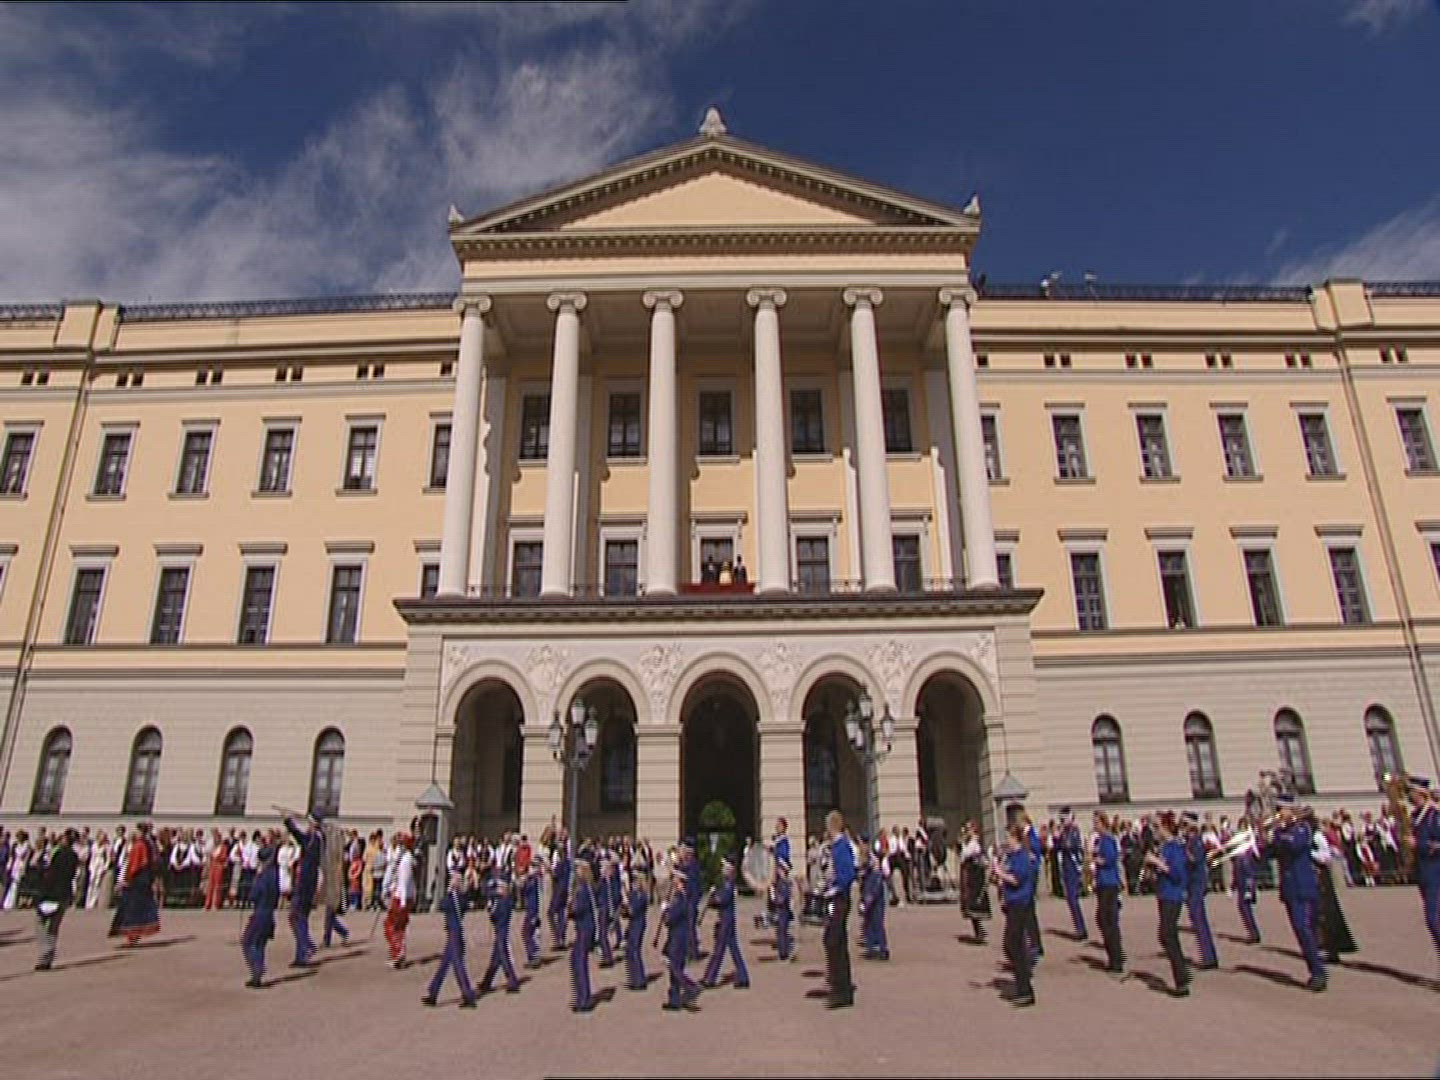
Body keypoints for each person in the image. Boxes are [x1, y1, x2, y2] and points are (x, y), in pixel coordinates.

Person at [1144, 813, 1191, 998]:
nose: (1155, 832)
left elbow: (1178, 874)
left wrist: (1158, 863)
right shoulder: (1164, 847)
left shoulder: (1175, 847)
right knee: (1167, 935)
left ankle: (1182, 979)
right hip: (1164, 894)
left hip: (1173, 896)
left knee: (1167, 935)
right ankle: (1182, 975)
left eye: (1157, 828)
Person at [994, 822, 1038, 1007]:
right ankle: (1023, 979)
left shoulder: (1022, 857)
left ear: (1016, 839)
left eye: (1009, 838)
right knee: (1012, 945)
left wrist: (1000, 873)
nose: (1007, 842)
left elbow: (1016, 880)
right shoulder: (1012, 857)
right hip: (1012, 903)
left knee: (1014, 944)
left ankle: (1025, 987)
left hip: (1020, 904)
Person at [422, 871, 477, 1007]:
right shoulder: (460, 898)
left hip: (454, 932)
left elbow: (443, 905)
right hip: (453, 932)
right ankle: (433, 992)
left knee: (458, 965)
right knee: (444, 964)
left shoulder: (455, 898)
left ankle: (467, 994)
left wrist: (450, 892)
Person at [1309, 812, 1357, 965]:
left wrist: (1309, 853)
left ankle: (1332, 948)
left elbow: (1326, 857)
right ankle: (1320, 946)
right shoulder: (1310, 836)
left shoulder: (1317, 837)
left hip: (1321, 880)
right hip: (1312, 878)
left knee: (1327, 914)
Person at [821, 810, 856, 1009]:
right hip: (835, 897)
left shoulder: (842, 846)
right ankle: (840, 985)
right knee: (835, 942)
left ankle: (841, 989)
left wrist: (834, 888)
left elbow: (847, 874)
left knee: (834, 942)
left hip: (839, 899)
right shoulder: (836, 847)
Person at [700, 854, 750, 988]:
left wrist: (713, 897)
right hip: (727, 919)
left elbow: (722, 900)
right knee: (734, 949)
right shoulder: (726, 881)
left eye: (725, 866)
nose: (723, 868)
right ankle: (743, 977)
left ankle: (710, 978)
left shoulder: (729, 883)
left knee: (719, 950)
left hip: (726, 920)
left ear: (730, 867)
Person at [283, 810, 325, 967]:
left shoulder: (314, 839)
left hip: (305, 882)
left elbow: (298, 835)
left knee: (297, 917)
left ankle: (304, 950)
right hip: (309, 882)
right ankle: (305, 947)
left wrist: (288, 821)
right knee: (299, 918)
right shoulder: (318, 838)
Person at [35, 829, 79, 971]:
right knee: (54, 926)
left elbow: (51, 874)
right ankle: (48, 956)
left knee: (41, 924)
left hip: (51, 893)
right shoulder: (74, 856)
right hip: (64, 894)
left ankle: (45, 954)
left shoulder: (58, 853)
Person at [110, 822, 161, 946]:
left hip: (136, 881)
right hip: (145, 880)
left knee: (131, 908)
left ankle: (132, 935)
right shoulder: (149, 844)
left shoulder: (139, 845)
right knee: (141, 907)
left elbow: (135, 864)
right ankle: (135, 935)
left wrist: (126, 879)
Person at [1405, 776, 1439, 956]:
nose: (1408, 796)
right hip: (1423, 872)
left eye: (1410, 792)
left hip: (1436, 871)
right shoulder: (1415, 817)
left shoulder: (1434, 816)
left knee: (1434, 920)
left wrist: (1418, 844)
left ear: (1420, 793)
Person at [1181, 812, 1219, 970]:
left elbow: (1194, 860)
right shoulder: (1189, 841)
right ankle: (1206, 955)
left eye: (1184, 824)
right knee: (1195, 919)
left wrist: (1183, 851)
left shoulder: (1196, 840)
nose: (1182, 828)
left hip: (1197, 882)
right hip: (1191, 883)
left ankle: (1209, 957)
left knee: (1199, 919)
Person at [241, 842, 280, 989]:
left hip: (260, 912)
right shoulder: (275, 874)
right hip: (270, 913)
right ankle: (257, 973)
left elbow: (254, 895)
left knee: (247, 941)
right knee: (260, 944)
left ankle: (257, 969)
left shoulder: (263, 876)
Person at [1091, 812, 1125, 976]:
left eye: (1096, 822)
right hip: (1102, 882)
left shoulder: (1108, 840)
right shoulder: (1100, 840)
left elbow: (1110, 859)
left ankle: (1116, 959)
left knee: (1108, 920)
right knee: (1103, 919)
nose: (1094, 825)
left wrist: (1097, 859)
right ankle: (1113, 956)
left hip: (1109, 883)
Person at [661, 868, 700, 1011]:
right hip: (678, 937)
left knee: (674, 967)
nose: (673, 882)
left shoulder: (679, 899)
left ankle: (690, 986)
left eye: (675, 879)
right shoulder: (681, 897)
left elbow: (670, 919)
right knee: (674, 970)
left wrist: (665, 909)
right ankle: (674, 1000)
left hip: (678, 938)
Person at [478, 876, 521, 995]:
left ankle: (512, 981)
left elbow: (494, 914)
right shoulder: (504, 899)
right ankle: (487, 981)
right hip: (500, 929)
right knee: (496, 958)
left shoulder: (503, 901)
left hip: (501, 929)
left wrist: (492, 898)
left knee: (503, 955)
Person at [383, 832, 417, 969]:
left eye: (401, 843)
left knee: (393, 926)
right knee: (396, 927)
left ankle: (397, 953)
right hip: (400, 896)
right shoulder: (402, 858)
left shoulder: (406, 860)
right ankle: (397, 952)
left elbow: (405, 881)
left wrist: (403, 901)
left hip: (400, 898)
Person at [568, 860, 597, 1012]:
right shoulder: (583, 888)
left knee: (579, 963)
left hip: (585, 928)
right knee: (576, 961)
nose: (576, 872)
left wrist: (570, 908)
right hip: (583, 928)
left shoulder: (584, 889)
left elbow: (579, 909)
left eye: (578, 869)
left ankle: (584, 999)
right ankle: (581, 996)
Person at [958, 821, 992, 944]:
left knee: (975, 902)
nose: (967, 831)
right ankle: (979, 931)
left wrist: (963, 843)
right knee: (971, 903)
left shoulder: (974, 843)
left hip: (974, 876)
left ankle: (980, 931)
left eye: (969, 829)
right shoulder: (971, 842)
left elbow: (965, 855)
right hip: (971, 875)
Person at [1057, 807, 1087, 940]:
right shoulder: (1065, 831)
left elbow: (1070, 846)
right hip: (1066, 866)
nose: (1062, 821)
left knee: (1073, 898)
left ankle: (1081, 929)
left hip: (1073, 866)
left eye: (1064, 819)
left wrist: (1061, 838)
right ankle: (1078, 927)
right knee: (1070, 899)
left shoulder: (1073, 831)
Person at [858, 844, 889, 961]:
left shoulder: (872, 861)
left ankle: (881, 948)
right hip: (869, 888)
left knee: (876, 922)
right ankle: (872, 947)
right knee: (869, 922)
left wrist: (868, 899)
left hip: (873, 890)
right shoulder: (868, 860)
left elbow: (875, 881)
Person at [771, 819, 795, 961]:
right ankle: (783, 947)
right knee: (780, 917)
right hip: (778, 881)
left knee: (782, 917)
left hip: (782, 881)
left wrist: (781, 869)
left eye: (779, 825)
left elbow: (783, 861)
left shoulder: (783, 843)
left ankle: (783, 949)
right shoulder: (778, 842)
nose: (777, 827)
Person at [1232, 833, 1262, 945]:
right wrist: (1233, 885)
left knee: (1246, 909)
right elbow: (1236, 872)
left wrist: (1249, 889)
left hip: (1246, 885)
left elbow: (1249, 873)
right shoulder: (1240, 855)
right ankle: (1251, 932)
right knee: (1243, 909)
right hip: (1242, 885)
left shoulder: (1246, 856)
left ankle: (1254, 933)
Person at [623, 867, 649, 991]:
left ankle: (639, 980)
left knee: (634, 950)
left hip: (638, 924)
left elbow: (632, 910)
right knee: (630, 950)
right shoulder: (635, 893)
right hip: (633, 923)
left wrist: (626, 903)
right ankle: (634, 978)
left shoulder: (641, 895)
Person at [549, 834, 571, 951]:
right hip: (564, 889)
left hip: (559, 889)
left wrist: (550, 870)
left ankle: (558, 936)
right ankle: (561, 936)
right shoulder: (567, 862)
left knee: (551, 912)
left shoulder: (562, 863)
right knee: (561, 913)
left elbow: (556, 875)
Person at [519, 861, 542, 968]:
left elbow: (536, 898)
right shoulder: (531, 880)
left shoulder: (534, 881)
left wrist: (535, 914)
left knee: (528, 933)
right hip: (530, 910)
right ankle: (532, 956)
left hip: (533, 911)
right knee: (529, 933)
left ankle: (534, 956)